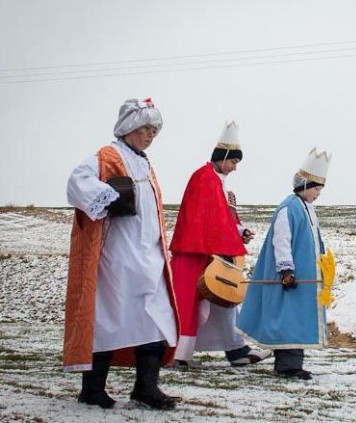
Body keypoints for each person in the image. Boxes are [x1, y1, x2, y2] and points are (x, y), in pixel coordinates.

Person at [63, 98, 179, 410]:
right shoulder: (108, 155)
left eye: (154, 129)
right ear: (129, 127)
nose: (150, 135)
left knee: (157, 319)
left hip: (149, 255)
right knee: (109, 319)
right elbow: (78, 181)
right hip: (118, 256)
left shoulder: (144, 162)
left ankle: (146, 387)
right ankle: (92, 389)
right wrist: (109, 198)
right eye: (145, 128)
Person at [169, 120, 271, 368]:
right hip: (195, 252)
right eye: (234, 162)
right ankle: (181, 355)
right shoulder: (204, 179)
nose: (235, 168)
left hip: (210, 251)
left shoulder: (216, 182)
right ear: (223, 156)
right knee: (195, 302)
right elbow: (206, 219)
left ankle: (236, 348)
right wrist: (230, 239)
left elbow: (222, 218)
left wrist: (239, 231)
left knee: (223, 302)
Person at [237, 147, 332, 380]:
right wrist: (286, 269)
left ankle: (293, 364)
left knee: (297, 317)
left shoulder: (308, 209)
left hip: (305, 278)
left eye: (320, 188)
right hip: (290, 277)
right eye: (316, 188)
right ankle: (287, 366)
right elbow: (282, 241)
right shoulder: (288, 208)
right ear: (305, 186)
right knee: (288, 318)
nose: (318, 193)